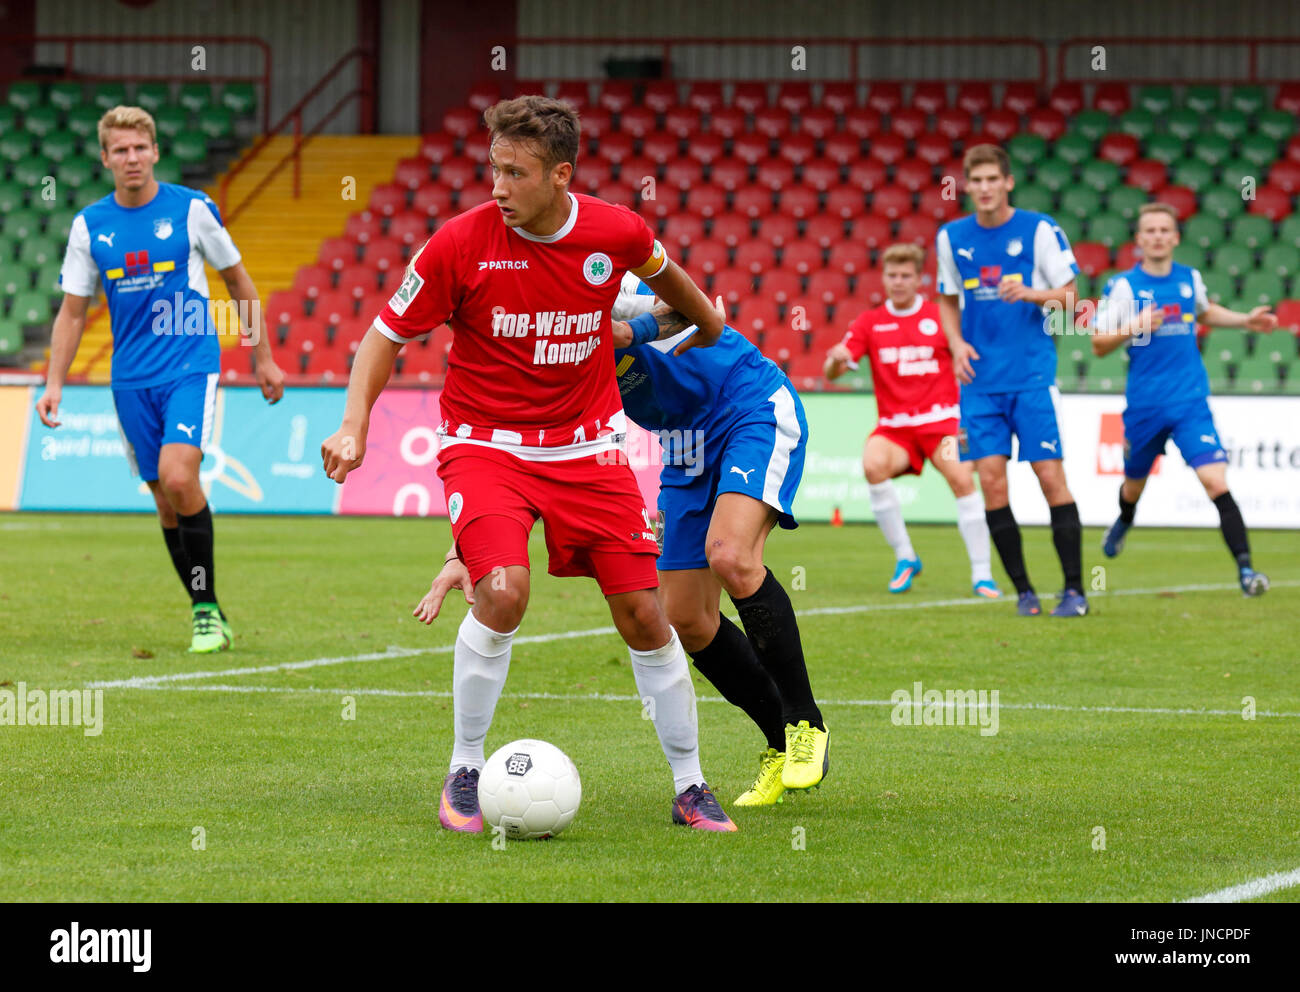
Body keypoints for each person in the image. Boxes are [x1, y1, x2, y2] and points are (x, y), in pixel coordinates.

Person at [322, 96, 737, 832]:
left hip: (590, 446)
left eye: (515, 173)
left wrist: (692, 324)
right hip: (486, 447)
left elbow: (685, 295)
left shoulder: (617, 231)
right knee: (505, 592)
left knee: (645, 612)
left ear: (561, 175)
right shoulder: (459, 244)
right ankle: (465, 768)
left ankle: (690, 785)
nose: (498, 187)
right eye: (494, 169)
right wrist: (354, 427)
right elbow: (382, 338)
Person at [421, 274, 829, 808]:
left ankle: (806, 724)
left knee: (729, 555)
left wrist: (623, 332)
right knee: (685, 617)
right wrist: (460, 552)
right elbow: (514, 462)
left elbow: (693, 309)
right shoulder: (526, 345)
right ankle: (780, 743)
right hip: (683, 445)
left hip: (746, 405)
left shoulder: (595, 270)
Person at [36, 105, 284, 653]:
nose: (131, 158)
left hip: (190, 363)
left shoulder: (192, 210)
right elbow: (72, 312)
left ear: (155, 151)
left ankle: (204, 611)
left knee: (178, 476)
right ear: (104, 158)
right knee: (165, 501)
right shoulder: (88, 225)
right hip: (129, 379)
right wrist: (53, 383)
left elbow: (238, 282)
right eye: (120, 150)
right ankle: (207, 609)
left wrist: (262, 356)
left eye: (139, 148)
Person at [934, 143, 1087, 617]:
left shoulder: (1039, 230)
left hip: (1031, 377)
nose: (983, 188)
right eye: (974, 181)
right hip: (978, 382)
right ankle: (1024, 592)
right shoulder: (951, 236)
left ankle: (1075, 590)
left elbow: (1072, 299)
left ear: (1008, 182)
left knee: (1049, 478)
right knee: (993, 487)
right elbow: (946, 298)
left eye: (991, 179)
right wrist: (956, 344)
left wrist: (1032, 293)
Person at [1092, 202, 1275, 595]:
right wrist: (1134, 326)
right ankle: (1124, 521)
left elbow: (1205, 313)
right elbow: (1098, 344)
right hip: (1145, 407)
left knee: (1215, 482)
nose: (1157, 236)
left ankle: (1246, 572)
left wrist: (1246, 320)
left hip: (1191, 401)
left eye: (1164, 230)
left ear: (1175, 237)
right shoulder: (1123, 287)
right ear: (1139, 240)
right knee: (1132, 488)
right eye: (1150, 230)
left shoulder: (1189, 278)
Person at [824, 243, 999, 598]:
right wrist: (835, 358)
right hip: (895, 427)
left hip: (945, 422)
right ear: (884, 278)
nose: (899, 282)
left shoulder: (940, 316)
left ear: (920, 279)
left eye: (906, 276)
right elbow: (834, 372)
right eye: (892, 275)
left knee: (963, 479)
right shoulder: (870, 322)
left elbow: (975, 364)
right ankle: (906, 557)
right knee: (872, 464)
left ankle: (982, 574)